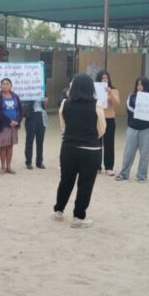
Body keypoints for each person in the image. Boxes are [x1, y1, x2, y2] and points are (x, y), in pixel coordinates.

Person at [54, 73, 106, 228]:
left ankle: (58, 210)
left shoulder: (64, 104)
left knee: (66, 180)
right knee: (85, 184)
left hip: (69, 148)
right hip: (90, 150)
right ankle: (78, 216)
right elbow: (102, 129)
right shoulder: (96, 105)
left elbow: (63, 126)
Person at [115, 77, 149, 183]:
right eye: (138, 84)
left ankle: (142, 175)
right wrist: (141, 110)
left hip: (147, 129)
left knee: (145, 154)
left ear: (146, 86)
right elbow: (129, 109)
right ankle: (124, 174)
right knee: (128, 152)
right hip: (132, 128)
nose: (139, 87)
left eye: (142, 85)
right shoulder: (131, 97)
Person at [0, 78, 22, 174]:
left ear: (11, 85)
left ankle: (9, 167)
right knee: (3, 146)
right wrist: (9, 121)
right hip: (3, 125)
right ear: (0, 86)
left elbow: (20, 110)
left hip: (14, 126)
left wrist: (17, 121)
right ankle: (3, 167)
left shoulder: (15, 96)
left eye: (7, 83)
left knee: (10, 146)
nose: (5, 85)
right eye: (3, 84)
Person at [95, 70, 120, 176]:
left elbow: (117, 103)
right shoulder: (95, 89)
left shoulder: (114, 90)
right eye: (103, 78)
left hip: (109, 119)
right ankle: (97, 166)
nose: (105, 80)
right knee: (97, 143)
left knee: (109, 143)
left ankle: (109, 167)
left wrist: (109, 93)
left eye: (106, 78)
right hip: (98, 118)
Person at [22, 95, 48, 170]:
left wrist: (45, 101)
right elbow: (24, 103)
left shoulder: (43, 92)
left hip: (41, 115)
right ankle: (28, 162)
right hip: (31, 116)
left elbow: (44, 105)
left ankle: (39, 162)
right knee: (29, 140)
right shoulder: (29, 92)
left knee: (40, 141)